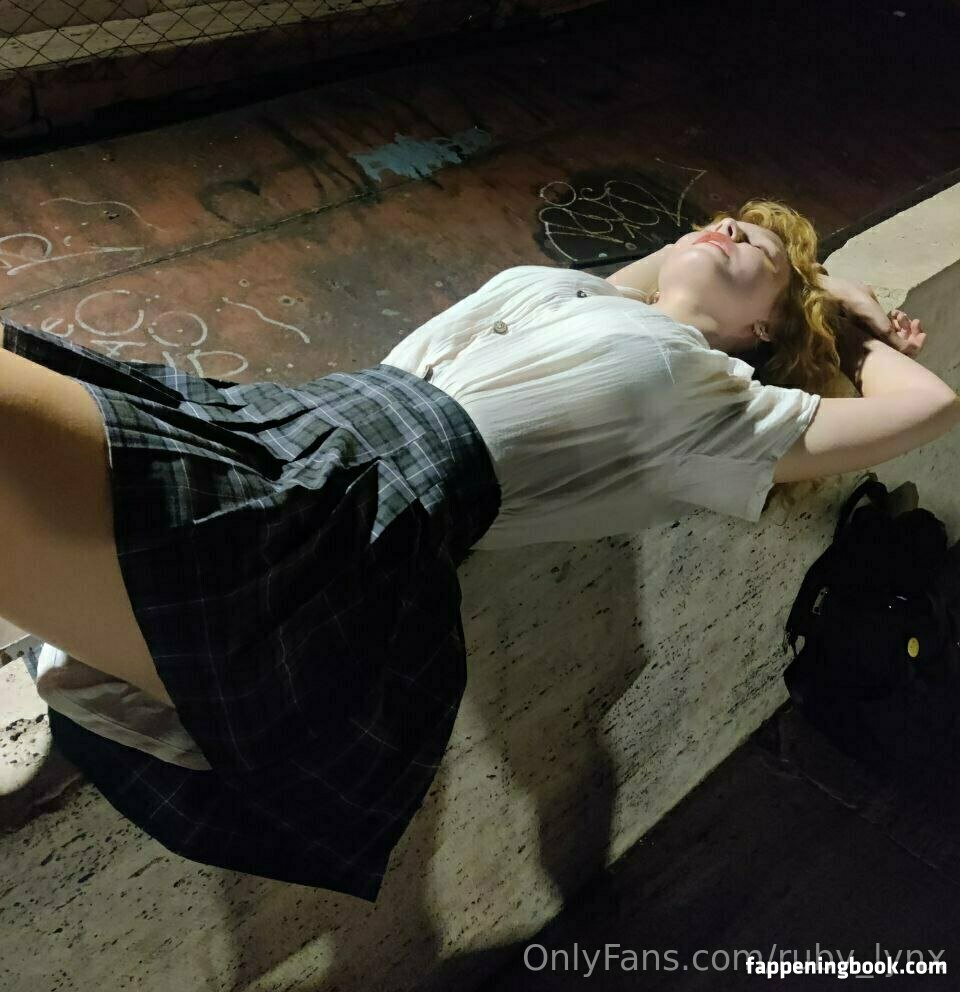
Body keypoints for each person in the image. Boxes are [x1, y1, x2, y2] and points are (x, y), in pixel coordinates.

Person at [1, 198, 956, 900]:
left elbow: (929, 407)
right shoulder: (586, 293)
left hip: (338, 520)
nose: (729, 228)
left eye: (758, 250)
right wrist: (798, 272)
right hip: (288, 426)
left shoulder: (722, 409)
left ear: (767, 326)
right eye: (726, 221)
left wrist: (842, 316)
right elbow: (663, 266)